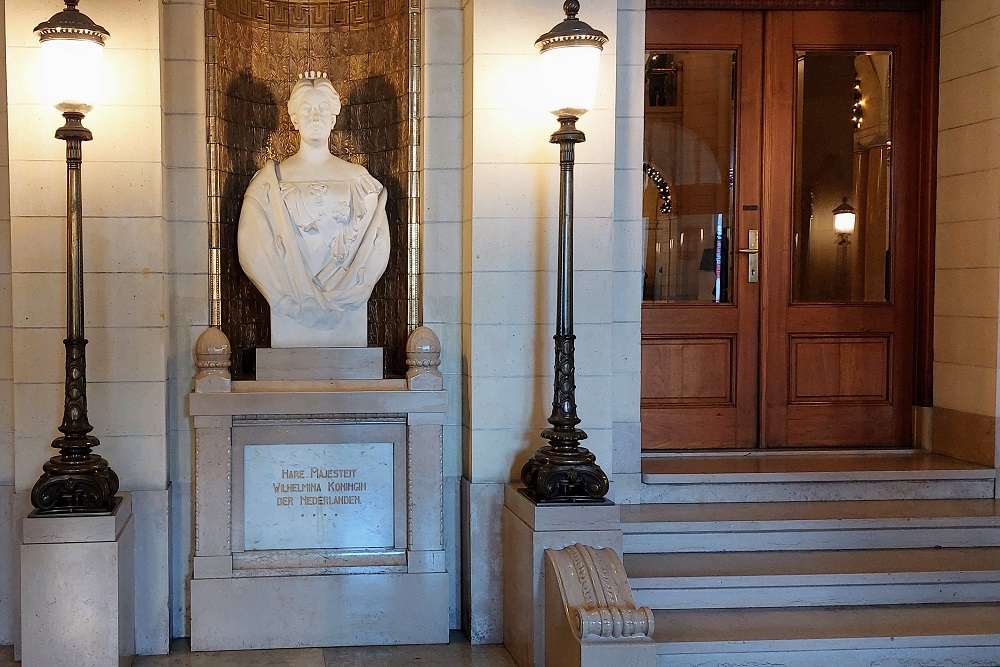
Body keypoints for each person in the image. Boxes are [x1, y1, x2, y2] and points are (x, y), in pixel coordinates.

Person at [238, 72, 390, 347]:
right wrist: (282, 295)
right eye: (307, 110)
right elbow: (251, 248)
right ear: (294, 118)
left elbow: (377, 247)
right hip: (287, 306)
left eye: (323, 109)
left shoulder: (359, 179)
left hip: (349, 308)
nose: (316, 117)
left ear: (334, 116)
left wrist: (360, 285)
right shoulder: (269, 183)